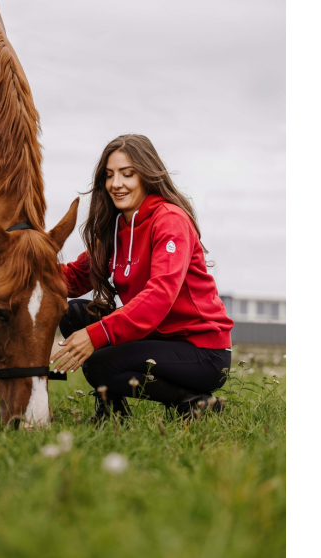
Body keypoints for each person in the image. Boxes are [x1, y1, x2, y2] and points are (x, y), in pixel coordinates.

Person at [50, 134, 233, 422]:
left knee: (99, 365)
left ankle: (194, 404)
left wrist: (97, 336)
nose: (116, 184)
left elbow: (159, 296)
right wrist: (25, 263)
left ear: (146, 175)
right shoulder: (116, 227)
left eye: (127, 174)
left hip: (201, 351)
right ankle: (113, 413)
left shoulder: (169, 221)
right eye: (109, 175)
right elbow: (74, 278)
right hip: (154, 339)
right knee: (73, 313)